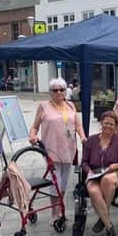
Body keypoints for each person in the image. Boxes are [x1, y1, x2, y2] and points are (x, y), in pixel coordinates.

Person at [29, 78, 87, 223]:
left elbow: (78, 126)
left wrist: (83, 137)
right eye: (55, 90)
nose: (59, 92)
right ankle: (54, 213)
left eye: (62, 89)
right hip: (51, 149)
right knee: (54, 182)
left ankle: (61, 209)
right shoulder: (44, 106)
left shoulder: (70, 105)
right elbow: (35, 126)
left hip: (69, 149)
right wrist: (33, 135)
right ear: (50, 92)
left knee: (63, 183)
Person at [81, 111, 118, 236]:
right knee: (93, 191)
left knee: (107, 180)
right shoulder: (91, 140)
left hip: (114, 172)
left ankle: (103, 216)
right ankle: (108, 226)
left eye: (111, 124)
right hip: (95, 173)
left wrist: (115, 165)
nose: (108, 126)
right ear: (101, 124)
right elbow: (84, 162)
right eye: (106, 123)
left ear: (116, 126)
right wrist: (89, 172)